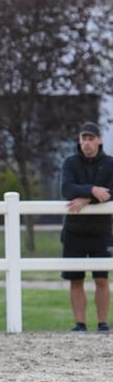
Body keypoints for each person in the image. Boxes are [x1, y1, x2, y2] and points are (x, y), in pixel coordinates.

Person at [60, 121, 113, 332]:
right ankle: (80, 324)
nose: (87, 143)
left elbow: (111, 192)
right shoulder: (70, 163)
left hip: (102, 232)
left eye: (91, 138)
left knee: (101, 279)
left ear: (99, 140)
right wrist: (92, 190)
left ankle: (102, 324)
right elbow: (66, 189)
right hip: (74, 231)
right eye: (84, 138)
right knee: (76, 280)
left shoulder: (110, 164)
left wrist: (85, 199)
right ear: (79, 141)